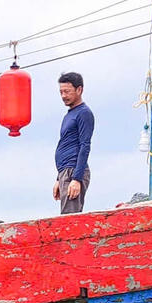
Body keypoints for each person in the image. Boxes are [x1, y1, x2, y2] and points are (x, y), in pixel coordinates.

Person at [53, 72, 94, 214]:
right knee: (65, 215)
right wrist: (58, 178)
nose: (63, 95)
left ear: (79, 90)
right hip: (65, 171)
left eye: (67, 91)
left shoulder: (84, 113)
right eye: (61, 92)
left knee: (69, 219)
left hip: (74, 171)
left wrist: (76, 179)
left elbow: (85, 145)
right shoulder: (69, 114)